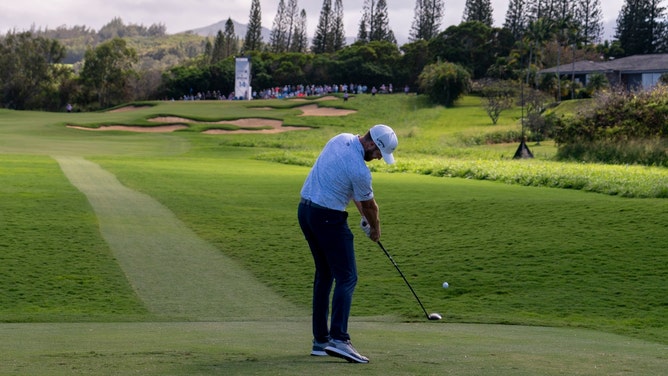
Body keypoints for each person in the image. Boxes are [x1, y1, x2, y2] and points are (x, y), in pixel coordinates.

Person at [298, 124, 398, 364]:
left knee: (325, 274)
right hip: (328, 218)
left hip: (306, 212)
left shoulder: (339, 139)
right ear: (372, 144)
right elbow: (372, 207)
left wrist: (363, 217)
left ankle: (321, 341)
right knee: (348, 277)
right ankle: (339, 339)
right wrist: (375, 230)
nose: (376, 159)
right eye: (377, 154)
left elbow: (352, 192)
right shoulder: (361, 170)